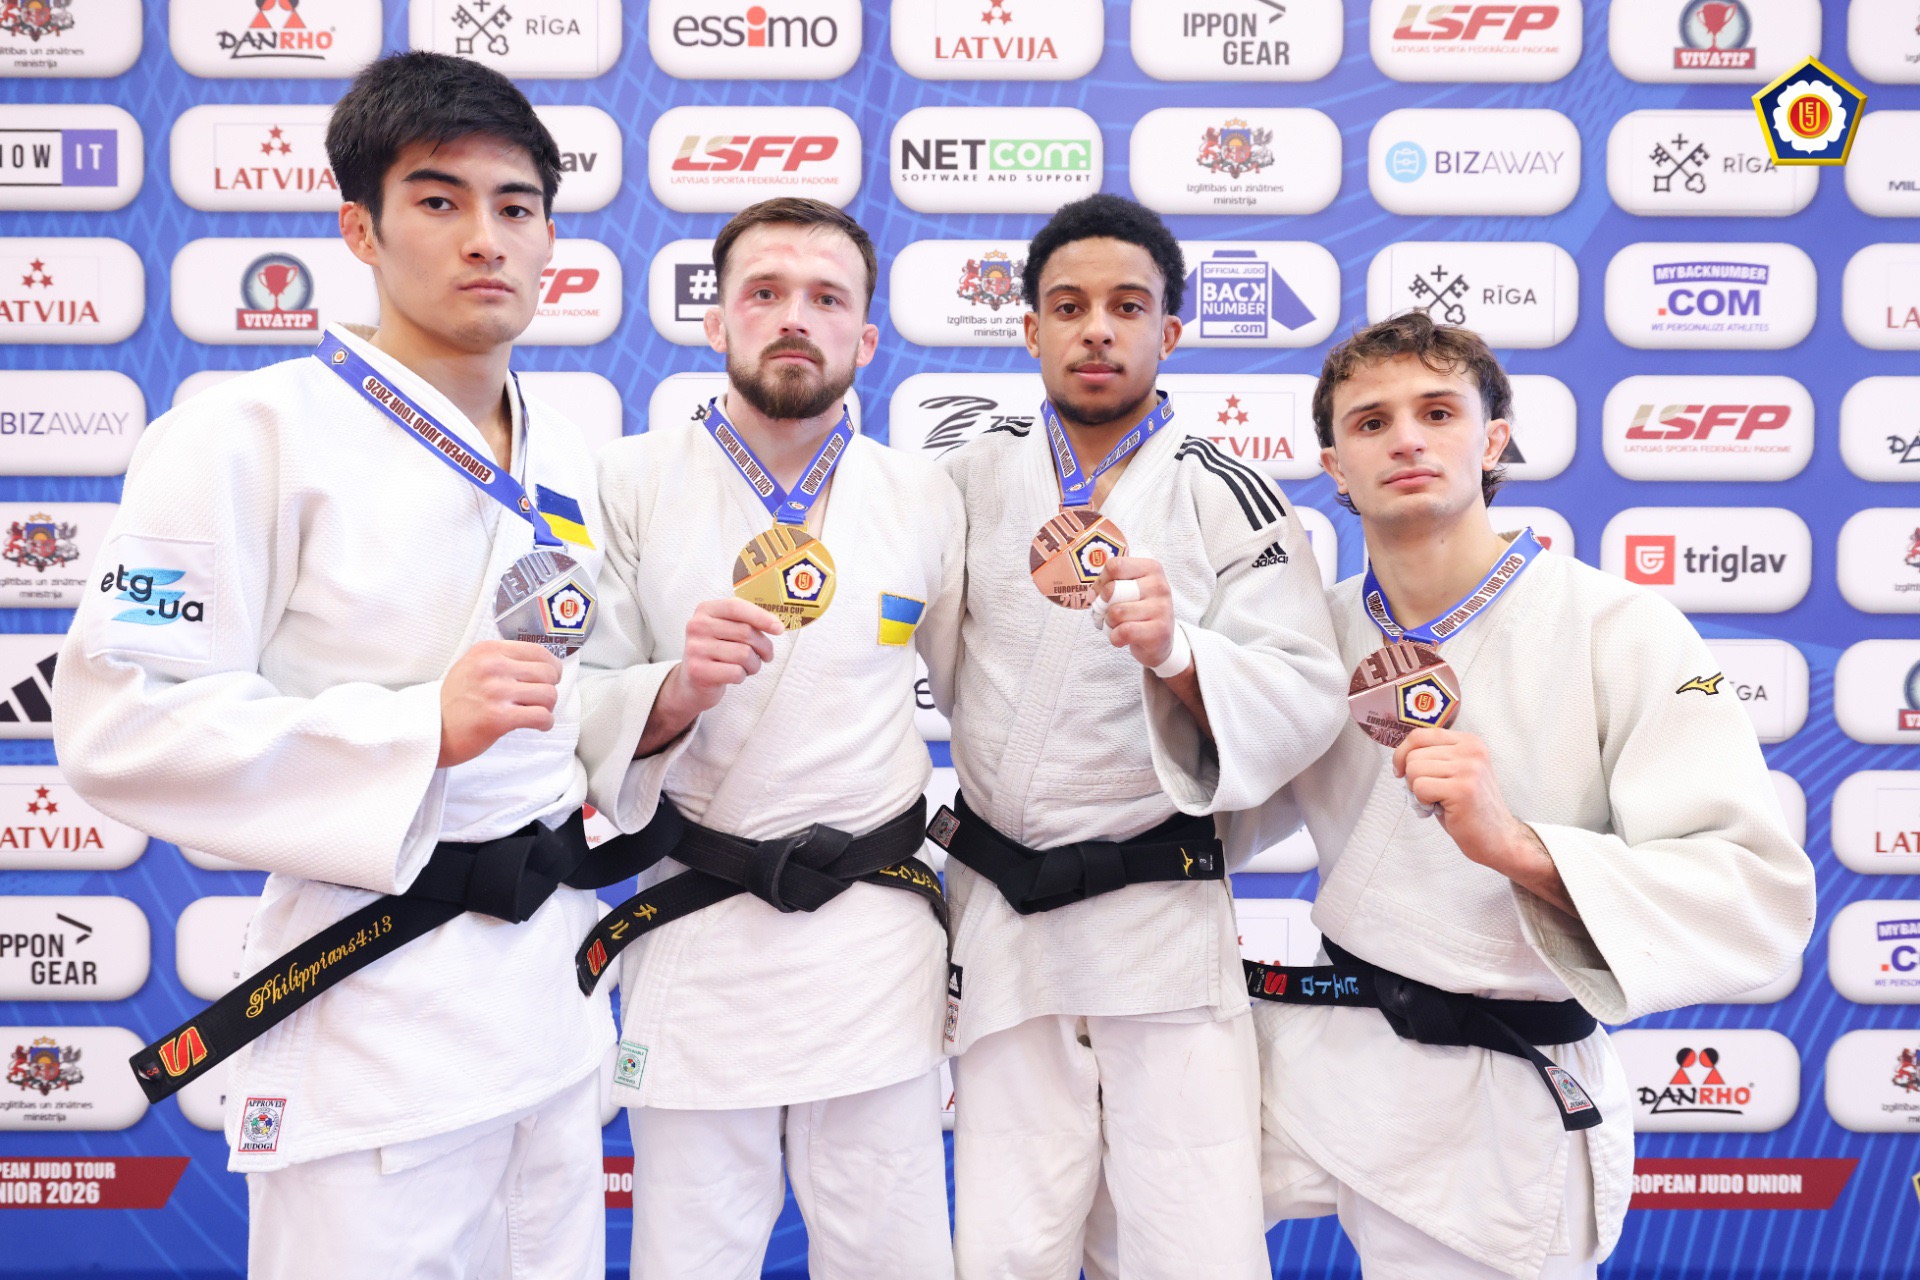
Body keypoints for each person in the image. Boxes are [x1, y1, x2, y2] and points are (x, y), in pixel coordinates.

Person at [52, 52, 618, 1278]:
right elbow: (120, 721)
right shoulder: (242, 434)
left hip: (550, 1002)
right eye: (438, 200)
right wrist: (419, 730)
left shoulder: (566, 448)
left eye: (516, 205)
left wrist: (658, 705)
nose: (486, 238)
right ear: (358, 228)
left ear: (550, 237)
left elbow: (568, 699)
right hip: (378, 1005)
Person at [1248, 312, 1817, 1278]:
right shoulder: (1310, 636)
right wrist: (1177, 667)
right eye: (1372, 422)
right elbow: (1211, 806)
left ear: (1494, 441)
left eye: (1438, 412)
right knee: (1127, 1187)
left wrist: (1515, 843)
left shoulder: (1624, 627)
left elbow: (1754, 891)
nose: (1407, 440)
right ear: (1335, 467)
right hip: (1325, 1051)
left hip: (1497, 1091)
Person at [933, 192, 1346, 1279]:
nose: (1097, 331)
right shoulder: (966, 479)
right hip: (1006, 910)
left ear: (1172, 328)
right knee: (1009, 1234)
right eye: (1069, 307)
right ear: (1030, 328)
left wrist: (1181, 655)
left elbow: (1305, 690)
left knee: (1190, 1234)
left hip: (1157, 911)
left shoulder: (1230, 492)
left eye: (1128, 307)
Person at [574, 197, 961, 1280]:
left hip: (872, 937)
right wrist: (675, 690)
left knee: (893, 1254)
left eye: (826, 298)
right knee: (689, 1252)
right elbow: (577, 696)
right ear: (716, 321)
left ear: (866, 338)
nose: (795, 317)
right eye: (765, 292)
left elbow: (983, 699)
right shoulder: (626, 481)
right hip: (701, 927)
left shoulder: (923, 494)